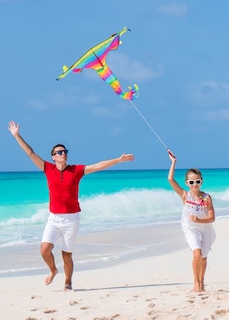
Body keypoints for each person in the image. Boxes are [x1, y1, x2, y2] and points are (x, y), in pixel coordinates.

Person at [8, 121, 135, 291]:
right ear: (53, 156)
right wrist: (17, 135)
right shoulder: (48, 169)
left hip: (71, 219)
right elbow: (31, 153)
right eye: (59, 152)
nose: (63, 154)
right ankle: (53, 270)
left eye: (65, 151)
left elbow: (97, 166)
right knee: (44, 249)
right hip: (54, 218)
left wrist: (118, 160)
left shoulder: (76, 170)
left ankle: (68, 282)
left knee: (67, 255)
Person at [167, 149, 216, 293]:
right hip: (190, 229)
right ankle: (196, 283)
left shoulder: (207, 197)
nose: (195, 184)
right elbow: (170, 180)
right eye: (192, 182)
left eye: (198, 181)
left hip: (206, 229)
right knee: (197, 254)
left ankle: (202, 283)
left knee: (204, 258)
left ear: (201, 182)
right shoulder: (184, 195)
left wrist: (199, 220)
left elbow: (212, 218)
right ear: (187, 183)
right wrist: (173, 162)